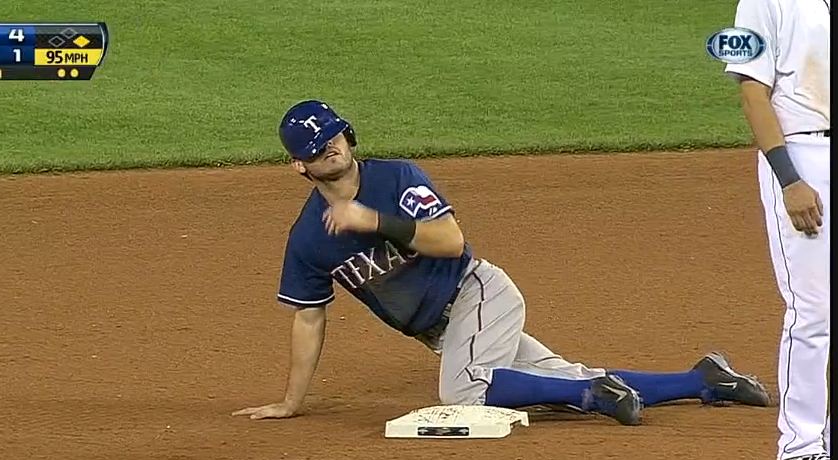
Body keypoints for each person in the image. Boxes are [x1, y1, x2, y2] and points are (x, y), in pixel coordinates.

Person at [232, 99, 771, 429]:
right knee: (555, 379)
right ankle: (703, 380)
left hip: (477, 294)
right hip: (445, 332)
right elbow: (308, 317)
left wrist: (372, 220)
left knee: (465, 392)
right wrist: (290, 402)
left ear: (348, 137)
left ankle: (591, 395)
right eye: (316, 147)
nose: (330, 148)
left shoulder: (396, 178)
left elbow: (449, 240)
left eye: (334, 137)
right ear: (298, 165)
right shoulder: (308, 238)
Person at [723, 0, 831, 460]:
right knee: (813, 312)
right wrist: (789, 179)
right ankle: (799, 447)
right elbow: (752, 92)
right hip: (803, 156)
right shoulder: (765, 1)